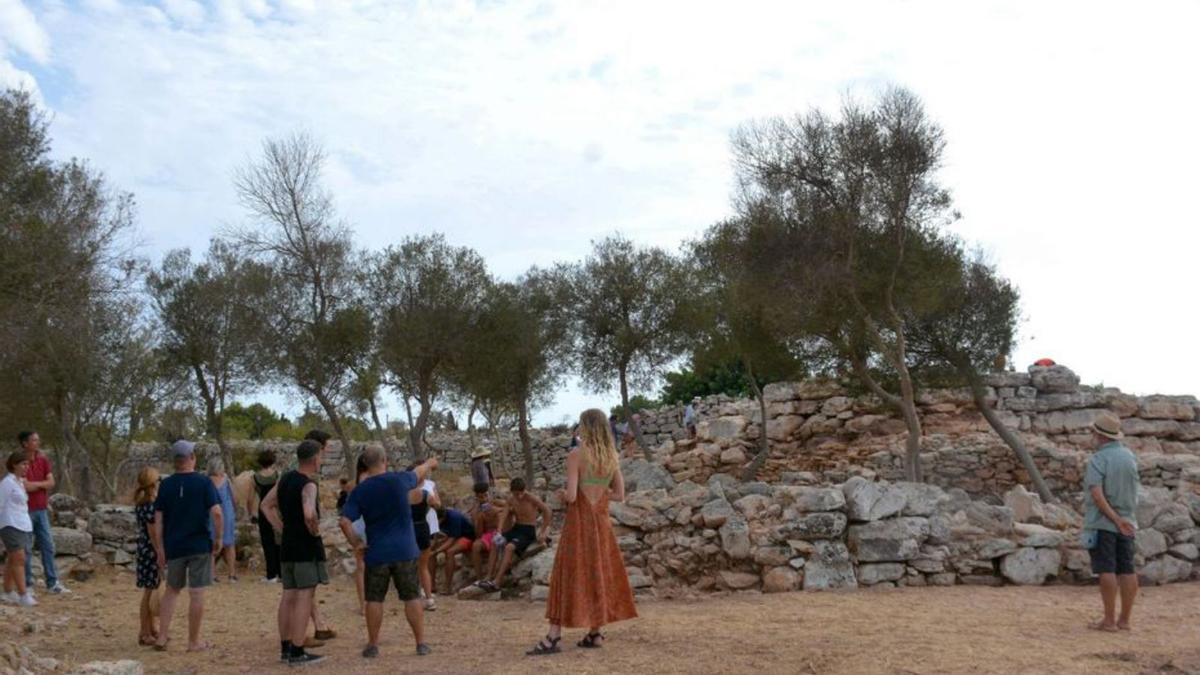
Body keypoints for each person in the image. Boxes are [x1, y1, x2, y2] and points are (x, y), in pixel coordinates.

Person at [528, 408, 637, 655]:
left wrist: (562, 495)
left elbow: (573, 496)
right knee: (597, 573)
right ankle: (595, 632)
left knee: (567, 573)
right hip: (601, 524)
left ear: (585, 427)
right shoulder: (611, 457)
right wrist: (601, 494)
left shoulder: (576, 455)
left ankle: (553, 637)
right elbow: (620, 495)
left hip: (579, 524)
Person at [339, 448, 438, 658]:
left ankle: (373, 645)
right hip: (405, 550)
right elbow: (419, 472)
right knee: (411, 596)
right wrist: (429, 463)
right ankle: (420, 643)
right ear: (384, 460)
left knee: (374, 599)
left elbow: (344, 521)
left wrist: (356, 543)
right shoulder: (399, 480)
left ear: (365, 465)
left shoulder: (360, 491)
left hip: (377, 553)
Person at [261, 439, 327, 666]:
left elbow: (265, 505)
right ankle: (298, 651)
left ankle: (286, 648)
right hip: (305, 547)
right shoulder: (308, 484)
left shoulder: (285, 479)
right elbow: (309, 512)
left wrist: (281, 528)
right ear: (316, 458)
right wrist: (314, 529)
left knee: (288, 595)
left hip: (287, 546)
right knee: (304, 597)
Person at [153, 439, 222, 653]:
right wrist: (219, 539)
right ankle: (193, 642)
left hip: (174, 545)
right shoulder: (204, 483)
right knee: (197, 592)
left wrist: (160, 548)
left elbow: (158, 519)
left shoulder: (166, 484)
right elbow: (217, 512)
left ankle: (162, 636)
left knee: (171, 590)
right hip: (199, 544)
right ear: (192, 457)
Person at [1082, 412, 1141, 632]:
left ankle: (1108, 621)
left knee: (1106, 569)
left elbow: (1097, 494)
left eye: (1092, 432)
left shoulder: (1098, 459)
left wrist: (1114, 519)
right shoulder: (1129, 456)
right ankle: (1124, 620)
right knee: (1127, 569)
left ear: (1099, 435)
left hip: (1103, 523)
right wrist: (1124, 519)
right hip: (1128, 522)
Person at [479, 477, 551, 592]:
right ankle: (488, 576)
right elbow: (504, 513)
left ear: (524, 490)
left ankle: (497, 582)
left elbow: (547, 511)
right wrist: (499, 529)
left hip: (528, 530)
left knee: (509, 547)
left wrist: (542, 530)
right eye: (516, 493)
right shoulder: (511, 499)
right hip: (517, 528)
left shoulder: (531, 498)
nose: (519, 496)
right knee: (495, 541)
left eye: (520, 493)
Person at [18, 431, 68, 594]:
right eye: (34, 440)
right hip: (24, 511)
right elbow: (24, 486)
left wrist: (36, 484)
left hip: (41, 510)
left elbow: (51, 482)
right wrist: (42, 484)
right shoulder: (18, 460)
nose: (37, 442)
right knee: (26, 548)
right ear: (25, 443)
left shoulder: (43, 459)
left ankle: (52, 583)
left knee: (48, 546)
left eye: (38, 439)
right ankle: (27, 585)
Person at [0, 451, 36, 607]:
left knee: (13, 559)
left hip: (23, 524)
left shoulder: (20, 482)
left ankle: (7, 590)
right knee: (19, 558)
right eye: (23, 464)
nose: (26, 467)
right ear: (14, 464)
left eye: (27, 464)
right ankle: (23, 594)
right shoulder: (7, 483)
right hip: (10, 524)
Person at [406, 463, 441, 611]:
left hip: (408, 529)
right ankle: (429, 598)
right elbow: (438, 505)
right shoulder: (426, 494)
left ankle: (413, 596)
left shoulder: (403, 494)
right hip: (422, 527)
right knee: (423, 566)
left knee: (409, 565)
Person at [134, 466, 161, 645]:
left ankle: (150, 628)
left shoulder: (142, 503)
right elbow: (153, 533)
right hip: (151, 550)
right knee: (149, 592)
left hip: (144, 548)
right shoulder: (150, 505)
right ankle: (144, 632)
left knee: (150, 592)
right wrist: (160, 552)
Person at [247, 450, 281, 583]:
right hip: (276, 510)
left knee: (267, 542)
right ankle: (281, 573)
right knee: (279, 540)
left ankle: (271, 574)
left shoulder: (254, 478)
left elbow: (250, 499)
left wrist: (251, 513)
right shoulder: (277, 475)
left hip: (263, 511)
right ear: (272, 461)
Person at [431, 507, 475, 594]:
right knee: (430, 553)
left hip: (466, 537)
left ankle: (448, 587)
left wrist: (436, 551)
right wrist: (433, 547)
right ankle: (432, 585)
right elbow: (435, 534)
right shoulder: (434, 517)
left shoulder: (454, 517)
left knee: (450, 552)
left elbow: (452, 540)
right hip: (452, 536)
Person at [208, 460, 238, 583]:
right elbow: (233, 497)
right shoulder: (226, 480)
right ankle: (232, 575)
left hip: (210, 514)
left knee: (210, 545)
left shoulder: (206, 481)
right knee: (229, 545)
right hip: (227, 513)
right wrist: (235, 511)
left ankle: (212, 575)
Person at [468, 483, 502, 584]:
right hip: (486, 534)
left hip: (499, 531)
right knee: (476, 546)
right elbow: (478, 533)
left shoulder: (496, 502)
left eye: (485, 495)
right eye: (481, 497)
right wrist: (479, 517)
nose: (484, 499)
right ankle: (479, 578)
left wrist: (495, 510)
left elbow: (509, 508)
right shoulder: (476, 510)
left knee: (495, 543)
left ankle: (490, 575)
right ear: (477, 497)